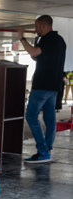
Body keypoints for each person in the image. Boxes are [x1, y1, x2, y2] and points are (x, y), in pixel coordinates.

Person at [18, 15, 67, 163]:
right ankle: (47, 149)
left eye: (37, 27)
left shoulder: (48, 39)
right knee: (50, 118)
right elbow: (38, 56)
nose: (35, 30)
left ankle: (43, 151)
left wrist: (22, 38)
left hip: (42, 85)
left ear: (44, 26)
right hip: (54, 86)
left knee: (31, 116)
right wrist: (34, 45)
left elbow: (34, 53)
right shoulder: (60, 41)